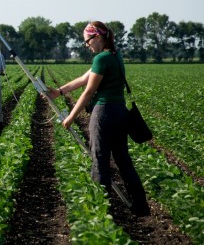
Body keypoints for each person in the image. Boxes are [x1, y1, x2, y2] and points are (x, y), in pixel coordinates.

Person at [47, 21, 150, 216]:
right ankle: (140, 206)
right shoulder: (114, 55)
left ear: (98, 37)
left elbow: (88, 92)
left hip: (103, 113)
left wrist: (71, 116)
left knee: (100, 160)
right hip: (120, 113)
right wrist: (59, 92)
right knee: (123, 160)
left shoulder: (101, 58)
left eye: (87, 41)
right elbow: (84, 78)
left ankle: (102, 210)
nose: (87, 45)